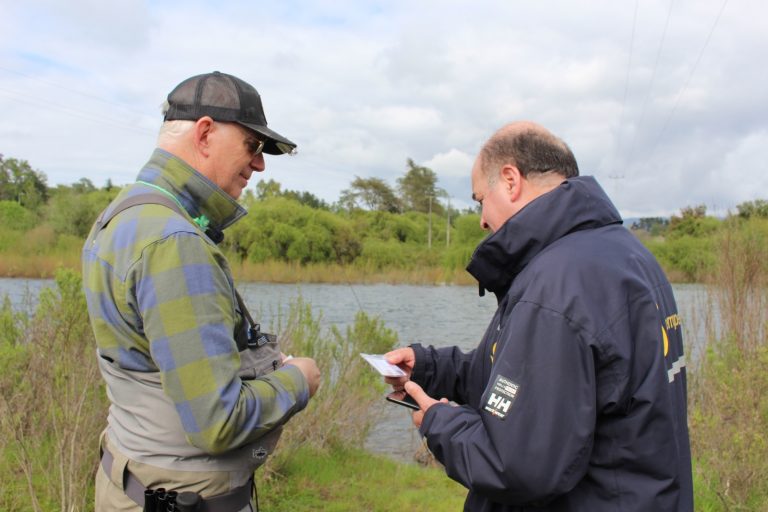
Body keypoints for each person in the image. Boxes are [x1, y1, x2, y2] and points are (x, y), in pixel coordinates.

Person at [385, 121, 693, 511]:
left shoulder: (557, 284)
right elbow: (525, 379)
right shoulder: (629, 256)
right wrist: (430, 367)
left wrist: (440, 422)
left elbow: (516, 466)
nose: (481, 219)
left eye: (480, 199)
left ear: (510, 180)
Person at [82, 71, 321, 511]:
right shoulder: (176, 243)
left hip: (132, 484)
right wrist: (298, 379)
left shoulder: (122, 215)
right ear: (206, 133)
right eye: (253, 146)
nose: (260, 164)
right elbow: (218, 422)